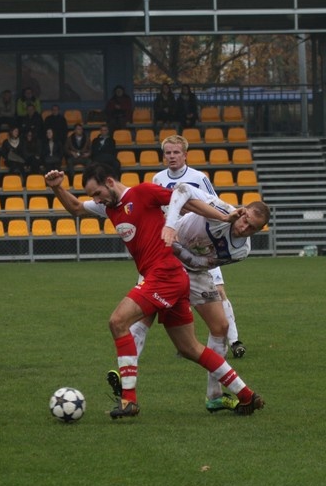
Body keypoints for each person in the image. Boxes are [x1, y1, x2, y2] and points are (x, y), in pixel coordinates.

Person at [44, 163, 265, 417]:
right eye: (93, 197)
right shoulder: (109, 206)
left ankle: (129, 400)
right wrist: (57, 187)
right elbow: (74, 208)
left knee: (118, 322)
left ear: (109, 182)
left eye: (97, 193)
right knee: (189, 348)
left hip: (166, 274)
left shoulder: (143, 193)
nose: (95, 200)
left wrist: (223, 217)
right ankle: (247, 395)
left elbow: (187, 201)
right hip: (170, 277)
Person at [135, 185, 270, 411]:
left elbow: (201, 264)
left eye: (251, 229)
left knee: (221, 326)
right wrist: (169, 226)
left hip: (194, 271)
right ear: (242, 210)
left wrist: (179, 247)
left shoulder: (241, 251)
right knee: (143, 317)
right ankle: (125, 383)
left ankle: (214, 396)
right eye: (245, 220)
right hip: (164, 257)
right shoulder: (219, 208)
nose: (243, 228)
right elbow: (183, 189)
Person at [150, 134, 245, 358]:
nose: (172, 156)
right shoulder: (157, 179)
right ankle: (188, 345)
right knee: (178, 292)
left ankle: (234, 339)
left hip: (203, 241)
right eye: (168, 153)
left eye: (176, 152)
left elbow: (213, 204)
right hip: (176, 243)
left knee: (218, 290)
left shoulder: (198, 177)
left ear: (185, 155)